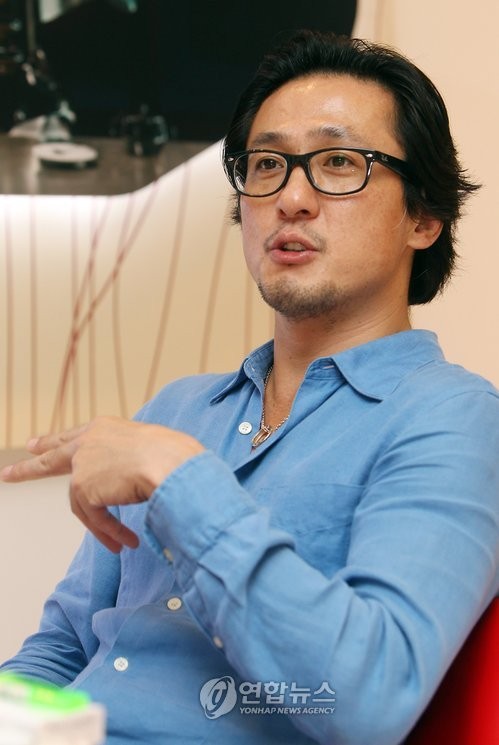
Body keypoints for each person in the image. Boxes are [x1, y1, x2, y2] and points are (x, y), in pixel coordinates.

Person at [1, 29, 498, 745]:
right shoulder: (177, 409)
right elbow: (64, 648)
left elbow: (369, 698)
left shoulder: (454, 418)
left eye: (338, 162)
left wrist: (180, 478)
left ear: (422, 218)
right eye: (266, 164)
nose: (290, 197)